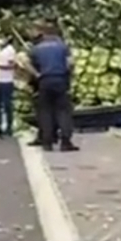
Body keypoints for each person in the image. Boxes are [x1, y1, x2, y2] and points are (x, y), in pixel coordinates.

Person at [29, 22, 79, 152]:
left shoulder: (36, 48)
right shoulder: (62, 47)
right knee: (63, 111)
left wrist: (37, 74)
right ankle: (65, 141)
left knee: (45, 111)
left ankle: (47, 142)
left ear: (43, 34)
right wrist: (69, 75)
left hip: (44, 80)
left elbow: (26, 63)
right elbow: (70, 63)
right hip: (60, 79)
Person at [0, 35, 16, 138]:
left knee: (7, 105)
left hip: (7, 81)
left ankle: (8, 127)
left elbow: (12, 65)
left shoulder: (10, 50)